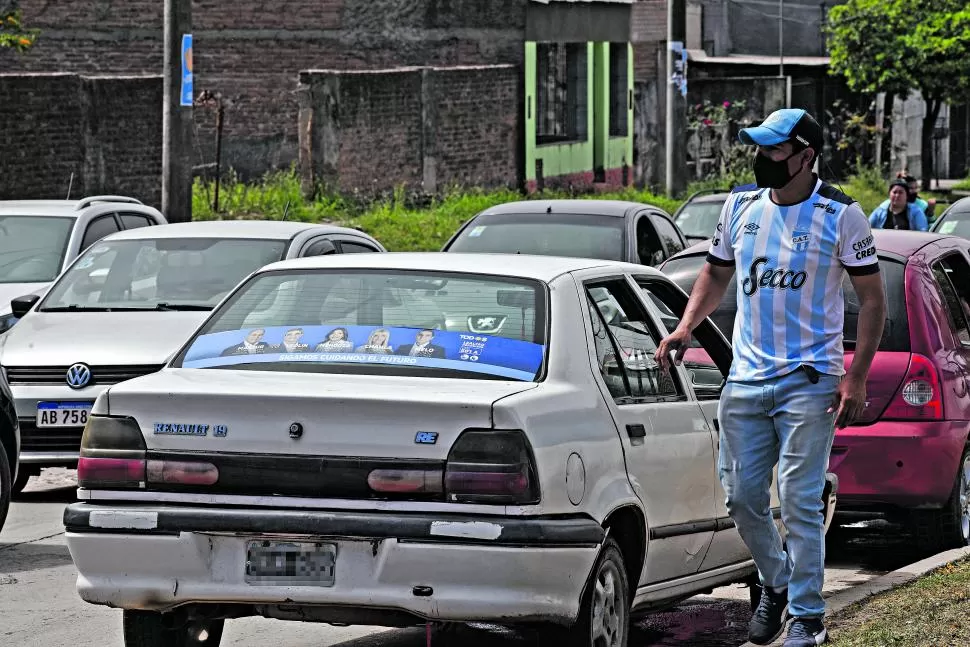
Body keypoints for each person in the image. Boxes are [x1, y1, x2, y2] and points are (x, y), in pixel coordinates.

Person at [655, 109, 886, 647]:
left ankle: (807, 616)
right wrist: (685, 327)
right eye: (758, 148)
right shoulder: (740, 206)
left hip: (811, 379)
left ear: (806, 156)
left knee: (800, 498)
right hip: (746, 378)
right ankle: (776, 581)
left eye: (775, 150)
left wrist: (857, 376)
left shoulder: (841, 213)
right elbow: (715, 274)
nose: (762, 159)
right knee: (740, 497)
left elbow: (871, 299)